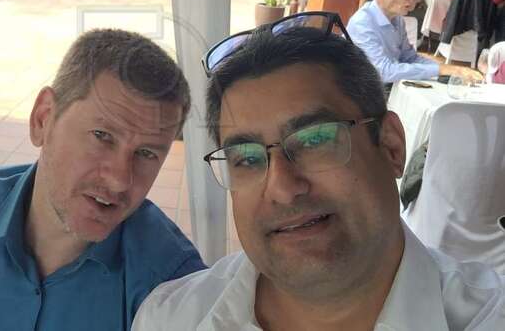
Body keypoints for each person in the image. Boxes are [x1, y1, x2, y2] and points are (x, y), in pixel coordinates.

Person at [132, 20, 505, 330]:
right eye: (246, 158)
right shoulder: (169, 319)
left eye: (315, 139)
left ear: (391, 146)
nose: (282, 187)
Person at [0, 29, 206, 330]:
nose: (120, 179)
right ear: (43, 119)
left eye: (146, 154)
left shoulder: (172, 283)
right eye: (102, 136)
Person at [346, 0, 482, 84]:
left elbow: (409, 58)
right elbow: (383, 72)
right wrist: (441, 70)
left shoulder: (397, 19)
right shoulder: (362, 23)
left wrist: (451, 70)